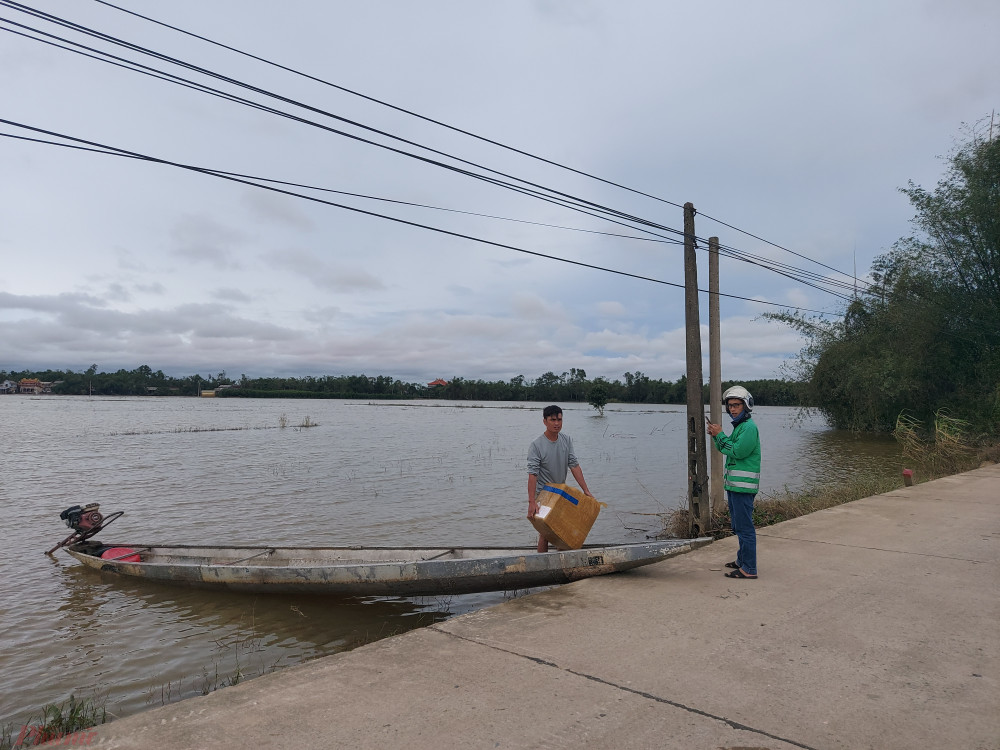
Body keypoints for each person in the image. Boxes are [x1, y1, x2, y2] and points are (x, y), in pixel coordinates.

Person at [706, 385, 761, 579]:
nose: (732, 409)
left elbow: (738, 451)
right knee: (738, 526)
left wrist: (719, 435)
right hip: (735, 486)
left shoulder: (749, 428)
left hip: (743, 487)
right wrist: (717, 436)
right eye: (730, 406)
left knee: (745, 529)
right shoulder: (741, 427)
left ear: (746, 406)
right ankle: (741, 560)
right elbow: (727, 448)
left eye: (736, 405)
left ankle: (749, 569)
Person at [527, 405, 593, 552]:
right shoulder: (536, 445)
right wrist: (532, 502)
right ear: (545, 421)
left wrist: (586, 490)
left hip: (560, 493)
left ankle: (561, 560)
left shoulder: (566, 440)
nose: (557, 423)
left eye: (559, 420)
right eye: (552, 420)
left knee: (563, 529)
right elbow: (533, 474)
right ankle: (541, 564)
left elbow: (574, 466)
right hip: (543, 493)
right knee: (545, 532)